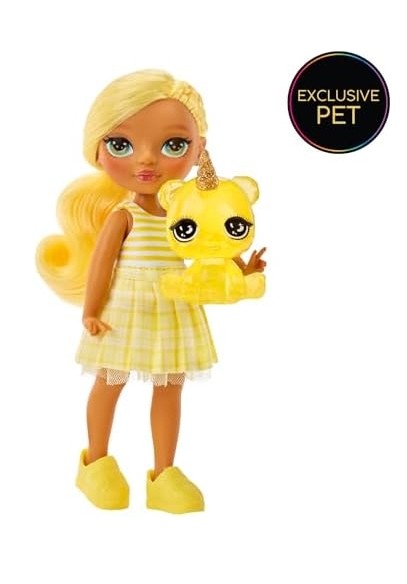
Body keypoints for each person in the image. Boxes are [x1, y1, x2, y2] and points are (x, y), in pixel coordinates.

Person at [36, 69, 266, 513]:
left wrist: (243, 267)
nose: (146, 160)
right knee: (111, 381)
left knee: (170, 388)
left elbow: (210, 247)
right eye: (121, 144)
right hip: (124, 310)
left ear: (199, 149)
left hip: (173, 307)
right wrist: (90, 310)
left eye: (173, 145)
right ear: (98, 151)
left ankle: (164, 474)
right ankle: (95, 463)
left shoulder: (188, 211)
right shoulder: (123, 216)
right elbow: (101, 265)